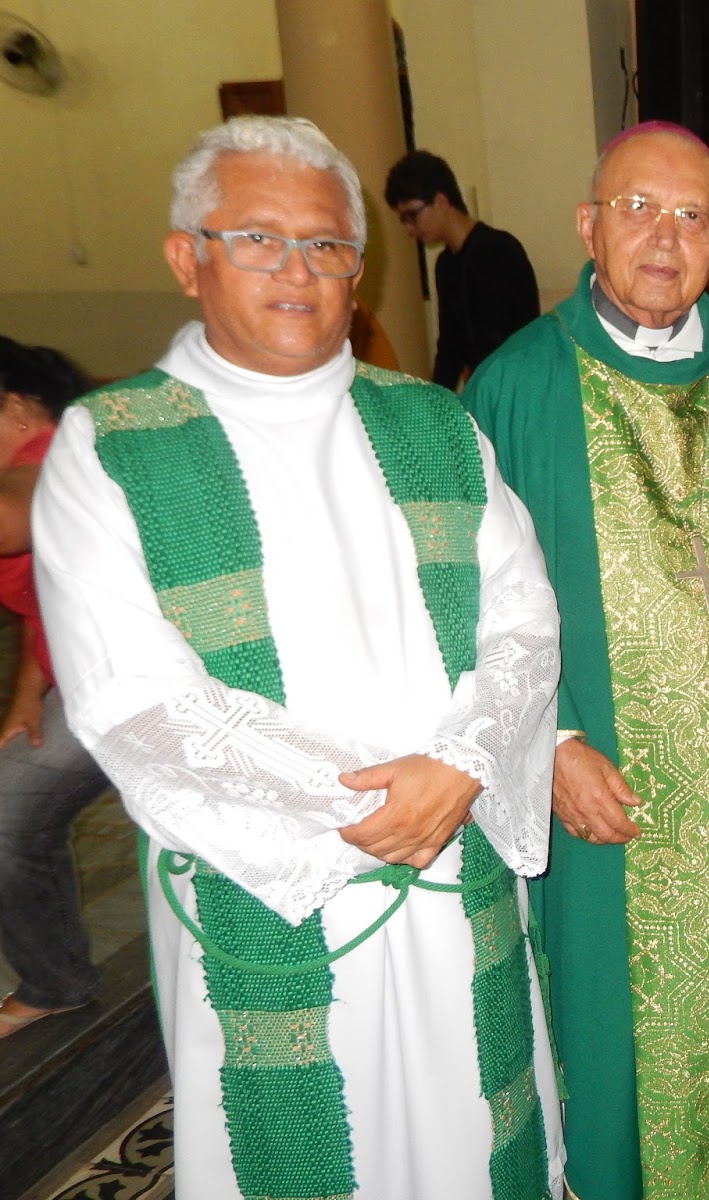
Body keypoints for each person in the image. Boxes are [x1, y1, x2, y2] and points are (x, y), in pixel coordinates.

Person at [31, 116, 564, 1199]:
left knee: (474, 1132)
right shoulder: (114, 444)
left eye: (324, 245)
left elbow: (523, 618)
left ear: (357, 271)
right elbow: (132, 694)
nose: (297, 269)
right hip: (267, 877)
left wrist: (459, 765)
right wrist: (359, 801)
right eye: (257, 240)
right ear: (188, 258)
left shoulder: (432, 423)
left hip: (447, 860)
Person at [460, 120, 709, 1200]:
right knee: (608, 1043)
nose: (663, 239)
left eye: (692, 217)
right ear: (589, 225)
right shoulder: (510, 390)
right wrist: (551, 743)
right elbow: (457, 604)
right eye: (637, 208)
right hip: (604, 804)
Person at [0, 338, 109, 1040]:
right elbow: (44, 600)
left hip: (130, 689)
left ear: (14, 409)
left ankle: (55, 984)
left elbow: (12, 519)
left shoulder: (52, 460)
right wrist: (25, 694)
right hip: (82, 681)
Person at [385, 149, 541, 388]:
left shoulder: (499, 250)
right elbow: (450, 347)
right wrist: (436, 401)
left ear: (440, 201)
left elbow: (508, 342)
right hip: (485, 390)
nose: (409, 229)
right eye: (403, 220)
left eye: (412, 216)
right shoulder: (445, 264)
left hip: (520, 387)